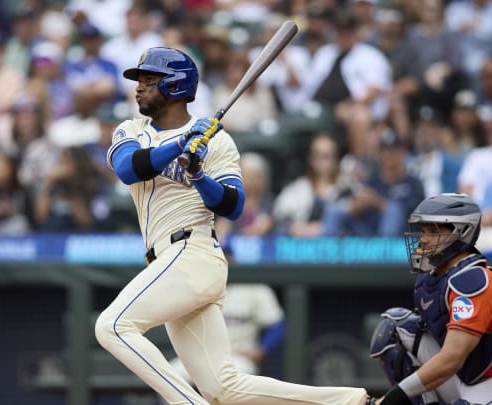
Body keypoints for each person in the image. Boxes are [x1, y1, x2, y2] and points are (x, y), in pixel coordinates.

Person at [95, 46, 372, 405]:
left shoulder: (217, 142)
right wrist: (183, 141)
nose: (139, 88)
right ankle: (353, 402)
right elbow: (129, 168)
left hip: (192, 253)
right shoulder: (131, 129)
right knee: (224, 389)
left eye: (150, 80)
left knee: (112, 326)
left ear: (176, 86)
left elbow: (232, 205)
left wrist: (198, 175)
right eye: (140, 81)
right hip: (168, 262)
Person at [368, 193, 492, 405]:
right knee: (394, 329)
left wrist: (393, 398)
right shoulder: (433, 276)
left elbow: (452, 357)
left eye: (433, 231)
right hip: (468, 374)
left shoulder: (473, 280)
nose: (423, 239)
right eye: (423, 231)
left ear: (461, 233)